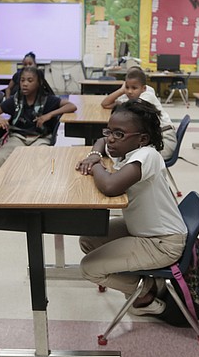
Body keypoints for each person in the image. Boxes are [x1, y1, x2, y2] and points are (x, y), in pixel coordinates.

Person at [76, 100, 187, 315]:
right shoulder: (126, 148)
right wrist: (95, 154)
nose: (110, 139)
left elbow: (110, 186)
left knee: (88, 268)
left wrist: (96, 165)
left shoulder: (147, 155)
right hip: (142, 230)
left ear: (142, 139)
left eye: (118, 134)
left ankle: (147, 290)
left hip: (162, 243)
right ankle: (137, 284)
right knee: (88, 240)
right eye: (110, 130)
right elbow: (100, 141)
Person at [0, 66, 76, 175]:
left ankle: (34, 190)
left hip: (41, 139)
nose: (25, 84)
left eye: (30, 80)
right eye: (22, 80)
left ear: (39, 82)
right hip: (17, 138)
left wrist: (49, 115)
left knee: (39, 161)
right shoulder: (15, 100)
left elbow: (71, 106)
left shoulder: (47, 99)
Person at [101, 67, 177, 159]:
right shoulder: (131, 97)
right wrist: (121, 90)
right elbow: (105, 104)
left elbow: (126, 111)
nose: (129, 91)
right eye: (127, 87)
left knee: (118, 154)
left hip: (164, 141)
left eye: (134, 88)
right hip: (152, 140)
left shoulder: (148, 96)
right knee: (114, 150)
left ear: (143, 88)